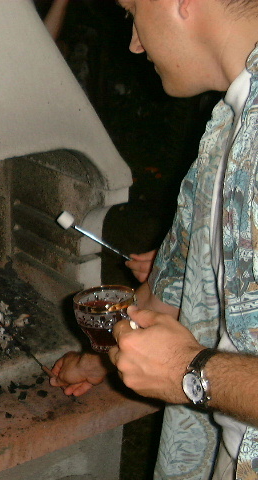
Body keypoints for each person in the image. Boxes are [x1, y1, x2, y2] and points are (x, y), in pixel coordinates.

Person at [49, 1, 258, 479]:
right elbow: (172, 286)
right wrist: (98, 362)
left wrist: (191, 372)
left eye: (131, 12)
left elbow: (191, 366)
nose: (135, 44)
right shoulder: (226, 129)